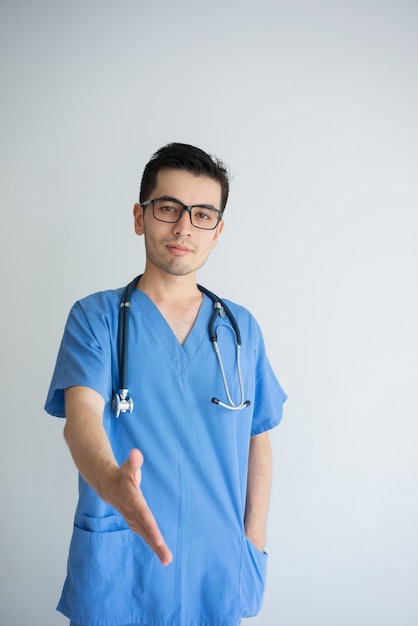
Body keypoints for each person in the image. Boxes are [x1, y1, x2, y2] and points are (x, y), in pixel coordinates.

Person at [45, 142, 287, 626]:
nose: (182, 228)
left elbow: (258, 437)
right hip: (121, 564)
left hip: (217, 566)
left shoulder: (241, 330)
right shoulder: (96, 319)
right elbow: (82, 419)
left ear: (217, 232)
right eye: (168, 208)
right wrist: (110, 481)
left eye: (201, 215)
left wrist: (253, 540)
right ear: (140, 217)